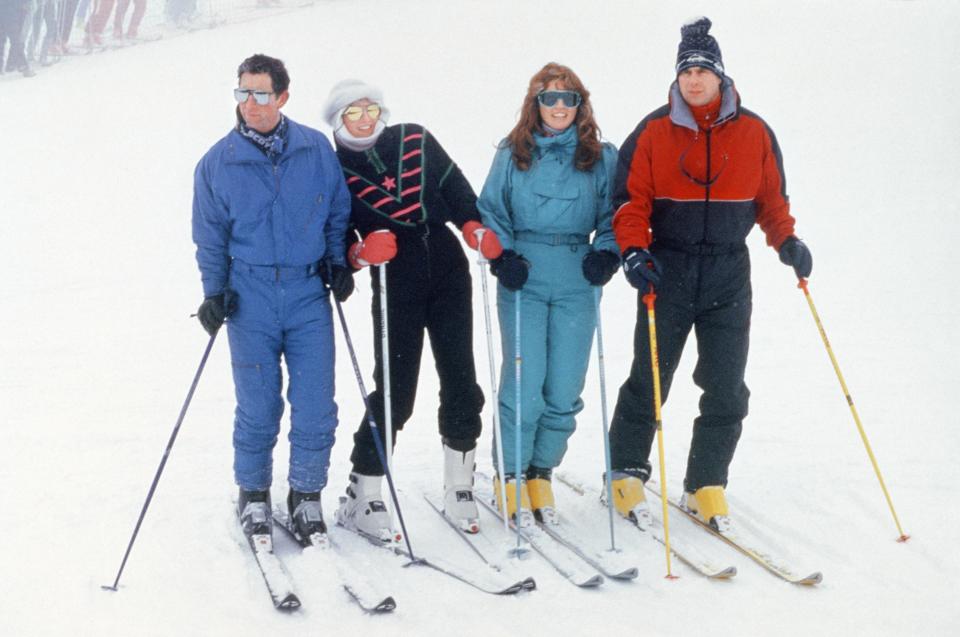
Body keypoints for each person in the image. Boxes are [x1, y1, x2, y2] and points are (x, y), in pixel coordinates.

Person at [607, 17, 813, 531]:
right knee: (651, 377)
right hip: (667, 267)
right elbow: (629, 203)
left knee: (726, 385)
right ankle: (626, 468)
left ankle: (705, 481)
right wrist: (634, 252)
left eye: (703, 71)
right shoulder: (653, 131)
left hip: (727, 271)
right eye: (686, 72)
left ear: (722, 77)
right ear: (677, 80)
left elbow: (772, 201)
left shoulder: (755, 132)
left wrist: (786, 239)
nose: (694, 80)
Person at [322, 79, 501, 539]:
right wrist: (360, 253)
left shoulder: (414, 138)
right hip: (394, 272)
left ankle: (459, 484)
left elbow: (455, 187)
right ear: (337, 121)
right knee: (396, 386)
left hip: (443, 261)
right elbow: (337, 234)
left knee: (461, 375)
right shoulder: (332, 166)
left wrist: (472, 225)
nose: (364, 120)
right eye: (352, 113)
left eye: (370, 109)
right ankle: (365, 489)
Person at [192, 54, 354, 544]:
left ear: (282, 97)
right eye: (243, 93)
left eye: (261, 94)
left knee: (314, 402)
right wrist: (214, 294)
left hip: (307, 292)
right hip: (250, 297)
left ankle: (305, 495)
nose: (251, 104)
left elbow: (336, 209)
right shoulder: (217, 162)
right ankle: (254, 494)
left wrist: (336, 261)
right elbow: (210, 235)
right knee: (258, 404)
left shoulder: (314, 149)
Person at [477, 63, 620, 526]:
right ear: (535, 103)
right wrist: (503, 257)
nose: (559, 107)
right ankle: (511, 474)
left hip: (577, 274)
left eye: (568, 99)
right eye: (550, 98)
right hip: (527, 273)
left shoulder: (599, 155)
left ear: (581, 105)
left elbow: (617, 211)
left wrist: (607, 252)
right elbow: (492, 209)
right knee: (525, 381)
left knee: (563, 385)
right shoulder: (513, 152)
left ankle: (541, 471)